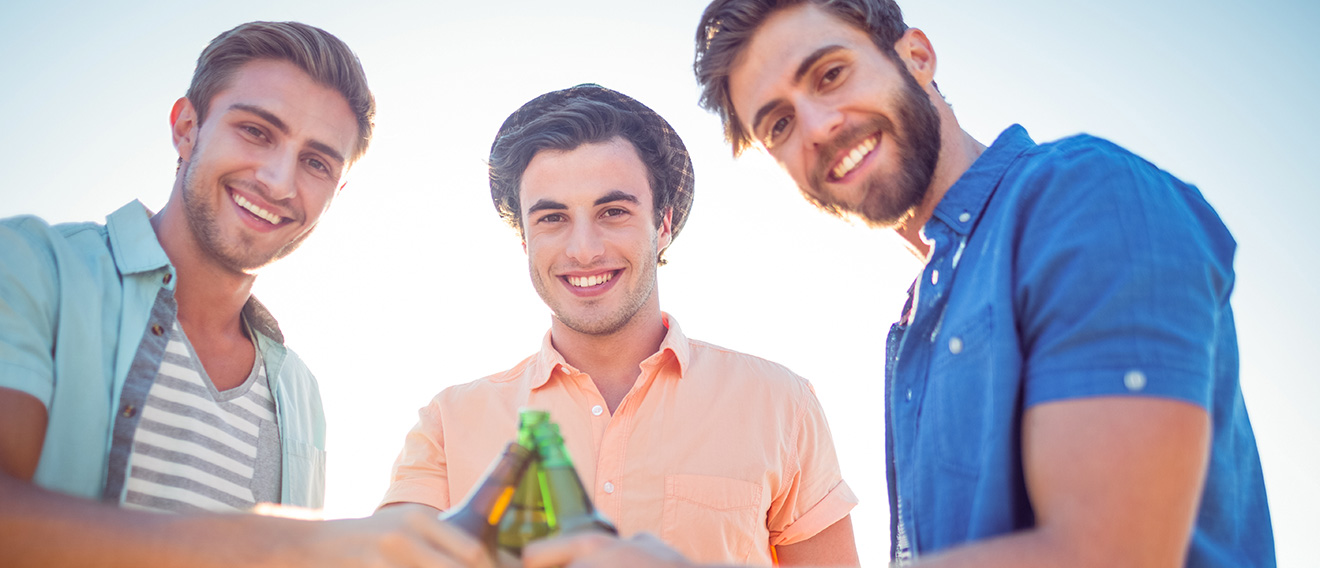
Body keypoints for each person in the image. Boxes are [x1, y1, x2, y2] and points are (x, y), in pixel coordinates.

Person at [523, 1, 1275, 567]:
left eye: (831, 73)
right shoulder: (920, 318)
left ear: (916, 56)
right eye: (778, 124)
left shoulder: (1084, 195)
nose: (816, 126)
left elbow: (1108, 551)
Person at [0, 21, 497, 567]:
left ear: (336, 192)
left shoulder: (300, 394)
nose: (280, 182)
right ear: (187, 127)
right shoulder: (29, 265)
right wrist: (282, 540)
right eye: (257, 131)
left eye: (316, 163)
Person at [379, 84, 860, 567]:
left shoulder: (780, 404)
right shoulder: (449, 423)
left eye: (613, 212)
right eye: (552, 217)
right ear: (525, 239)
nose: (583, 249)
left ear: (663, 223)